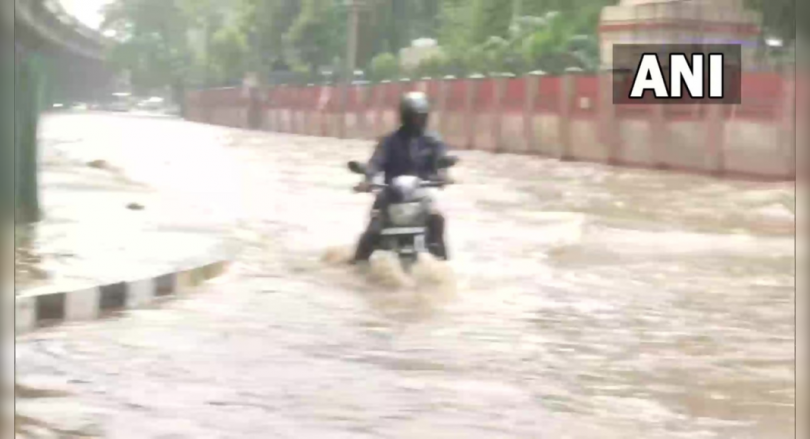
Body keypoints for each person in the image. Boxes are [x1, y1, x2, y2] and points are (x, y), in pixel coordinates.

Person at [352, 91, 450, 263]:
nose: (417, 121)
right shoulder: (389, 141)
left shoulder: (433, 141)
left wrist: (443, 176)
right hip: (390, 195)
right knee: (373, 230)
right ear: (405, 117)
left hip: (420, 194)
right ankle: (355, 264)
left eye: (421, 117)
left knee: (437, 219)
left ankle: (442, 263)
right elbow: (375, 163)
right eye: (414, 117)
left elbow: (441, 161)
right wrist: (367, 180)